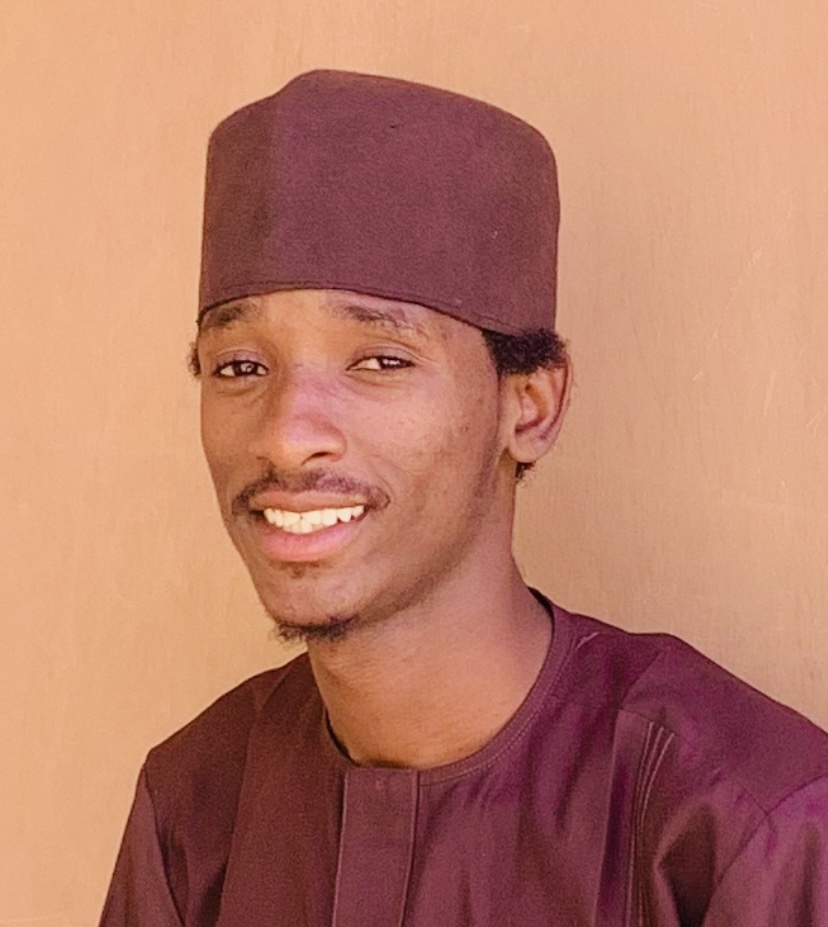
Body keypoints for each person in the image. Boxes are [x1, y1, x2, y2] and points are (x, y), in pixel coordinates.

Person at [99, 69, 828, 926]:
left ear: (531, 406)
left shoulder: (746, 828)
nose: (287, 436)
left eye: (380, 360)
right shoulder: (194, 808)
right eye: (240, 366)